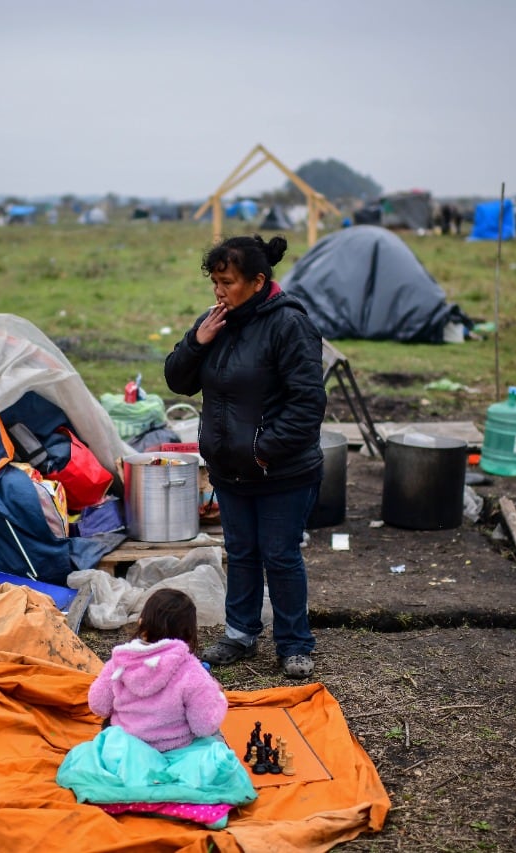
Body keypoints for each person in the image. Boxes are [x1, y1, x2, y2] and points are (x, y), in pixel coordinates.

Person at [164, 234, 326, 679]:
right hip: (231, 469)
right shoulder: (216, 321)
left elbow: (308, 403)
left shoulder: (290, 325)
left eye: (227, 282)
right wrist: (197, 341)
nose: (218, 291)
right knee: (240, 551)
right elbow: (179, 380)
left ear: (257, 282)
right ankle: (240, 633)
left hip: (282, 470)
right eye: (214, 282)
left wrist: (263, 450)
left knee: (280, 554)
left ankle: (294, 643)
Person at [87, 588, 227, 752]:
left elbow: (98, 705)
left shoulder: (120, 660)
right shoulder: (190, 669)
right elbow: (204, 726)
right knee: (216, 739)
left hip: (126, 750)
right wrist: (217, 696)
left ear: (141, 622)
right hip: (178, 752)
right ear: (189, 634)